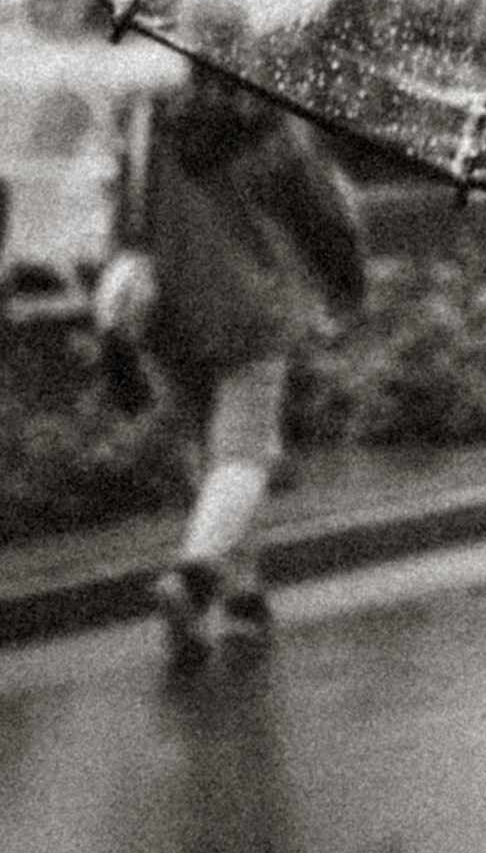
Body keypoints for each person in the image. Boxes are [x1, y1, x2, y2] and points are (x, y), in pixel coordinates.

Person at [94, 65, 366, 667]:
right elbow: (317, 210)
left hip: (169, 309)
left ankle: (243, 598)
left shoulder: (147, 115)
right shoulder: (267, 119)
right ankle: (193, 579)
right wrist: (346, 280)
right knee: (247, 454)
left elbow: (123, 208)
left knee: (211, 453)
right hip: (251, 307)